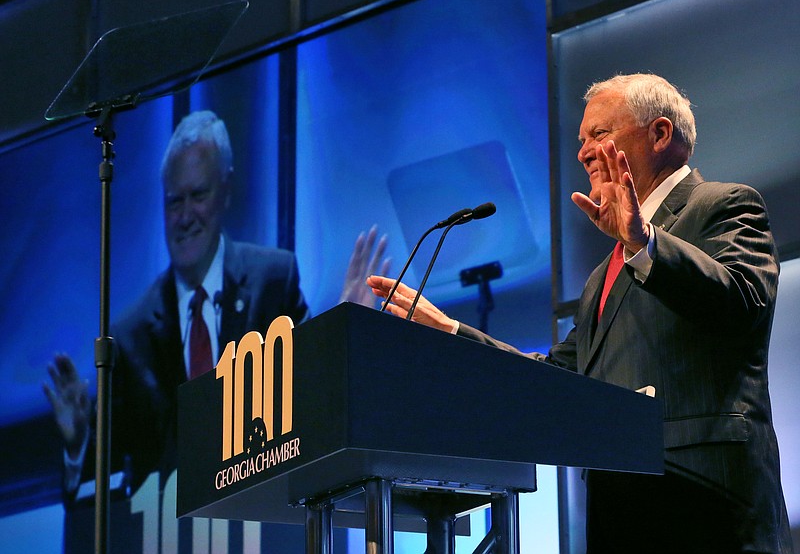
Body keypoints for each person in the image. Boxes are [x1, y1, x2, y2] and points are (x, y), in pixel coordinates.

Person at [367, 73, 793, 553]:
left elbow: (742, 302)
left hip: (710, 512)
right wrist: (449, 330)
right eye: (581, 139)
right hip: (621, 514)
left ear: (659, 134)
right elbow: (558, 380)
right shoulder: (599, 279)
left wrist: (644, 242)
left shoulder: (723, 205)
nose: (583, 152)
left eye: (600, 134)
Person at [43, 110, 388, 498]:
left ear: (226, 190)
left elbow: (311, 396)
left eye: (198, 195)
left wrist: (341, 331)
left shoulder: (273, 280)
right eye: (174, 201)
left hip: (265, 517)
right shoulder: (130, 334)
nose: (185, 216)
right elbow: (106, 486)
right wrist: (79, 443)